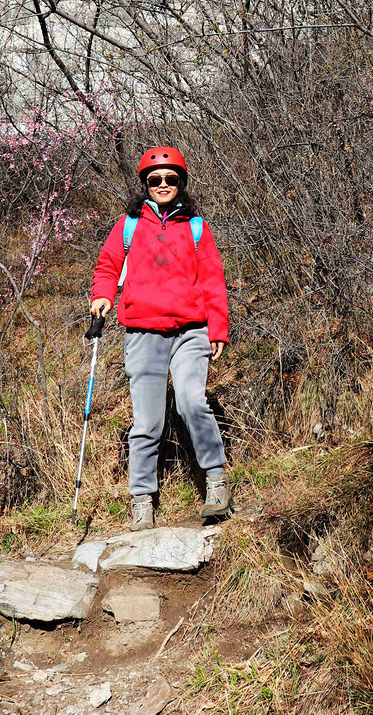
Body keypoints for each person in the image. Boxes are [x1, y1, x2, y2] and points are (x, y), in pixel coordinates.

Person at [89, 146, 231, 530]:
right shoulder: (128, 225)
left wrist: (218, 327)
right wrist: (102, 295)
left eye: (171, 179)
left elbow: (213, 280)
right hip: (142, 332)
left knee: (190, 402)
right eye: (155, 180)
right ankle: (142, 501)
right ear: (145, 185)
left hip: (191, 331)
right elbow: (107, 265)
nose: (163, 184)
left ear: (180, 182)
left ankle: (216, 483)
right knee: (147, 423)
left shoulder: (196, 226)